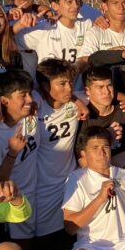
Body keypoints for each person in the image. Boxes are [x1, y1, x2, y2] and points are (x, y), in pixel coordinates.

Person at [0, 70, 40, 250]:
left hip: (36, 195)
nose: (30, 99)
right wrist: (12, 153)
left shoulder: (30, 120)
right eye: (23, 95)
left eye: (29, 93)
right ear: (5, 101)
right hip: (12, 203)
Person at [33, 59, 84, 240]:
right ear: (46, 87)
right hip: (42, 184)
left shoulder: (74, 102)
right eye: (61, 84)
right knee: (43, 237)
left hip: (69, 179)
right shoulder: (34, 104)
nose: (68, 89)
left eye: (70, 83)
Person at [16, 0, 93, 78]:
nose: (75, 6)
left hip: (79, 90)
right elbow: (10, 42)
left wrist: (71, 71)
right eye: (69, 1)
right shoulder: (43, 28)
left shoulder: (86, 25)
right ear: (55, 5)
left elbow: (88, 57)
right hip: (48, 90)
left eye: (77, 1)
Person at [77, 66, 125, 169]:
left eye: (109, 86)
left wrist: (123, 157)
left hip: (123, 170)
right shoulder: (83, 118)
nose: (107, 92)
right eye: (100, 87)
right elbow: (82, 161)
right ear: (87, 91)